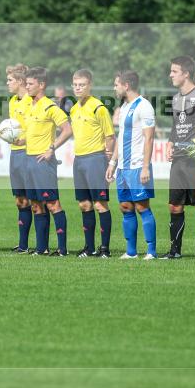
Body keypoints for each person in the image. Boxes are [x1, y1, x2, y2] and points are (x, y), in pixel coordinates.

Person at [106, 70, 157, 260]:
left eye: (116, 84)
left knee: (142, 207)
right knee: (126, 207)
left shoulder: (144, 106)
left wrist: (145, 167)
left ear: (126, 85)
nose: (114, 87)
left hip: (137, 166)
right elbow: (120, 137)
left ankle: (151, 251)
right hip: (123, 168)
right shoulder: (125, 107)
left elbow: (149, 138)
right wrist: (113, 162)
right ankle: (131, 252)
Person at [23, 67, 73, 256]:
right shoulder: (29, 105)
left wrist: (51, 148)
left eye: (30, 84)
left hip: (43, 162)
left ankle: (62, 249)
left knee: (52, 204)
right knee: (36, 204)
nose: (26, 87)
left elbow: (67, 130)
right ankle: (41, 248)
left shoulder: (51, 107)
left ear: (41, 85)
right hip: (29, 159)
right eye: (26, 83)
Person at [69, 69, 115, 258]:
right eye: (76, 85)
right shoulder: (73, 108)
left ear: (90, 85)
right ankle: (89, 248)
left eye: (82, 85)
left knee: (100, 205)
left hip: (95, 160)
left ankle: (104, 248)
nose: (78, 88)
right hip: (78, 160)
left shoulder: (99, 107)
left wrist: (109, 159)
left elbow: (110, 136)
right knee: (84, 205)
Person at [163, 56, 195, 259]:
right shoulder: (176, 98)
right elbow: (175, 128)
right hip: (178, 161)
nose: (170, 75)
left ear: (186, 73)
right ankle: (175, 251)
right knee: (174, 205)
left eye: (174, 71)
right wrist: (170, 143)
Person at [5, 64, 33, 253]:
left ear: (20, 81)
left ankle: (42, 245)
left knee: (37, 201)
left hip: (29, 153)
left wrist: (26, 138)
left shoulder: (32, 101)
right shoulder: (12, 101)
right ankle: (23, 245)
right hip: (15, 153)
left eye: (9, 80)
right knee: (20, 201)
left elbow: (38, 127)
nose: (7, 83)